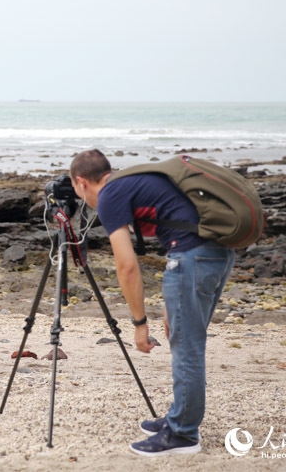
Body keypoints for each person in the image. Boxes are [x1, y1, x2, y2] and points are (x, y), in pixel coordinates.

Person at [69, 149, 235, 457]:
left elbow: (127, 266)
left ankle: (184, 434)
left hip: (191, 255)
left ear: (81, 182)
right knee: (185, 340)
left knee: (187, 347)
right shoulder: (130, 180)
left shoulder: (109, 195)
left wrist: (139, 324)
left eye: (78, 192)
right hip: (217, 253)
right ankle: (180, 417)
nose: (81, 199)